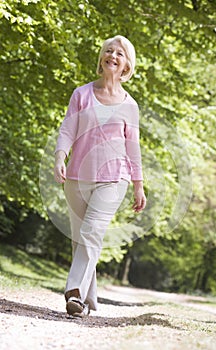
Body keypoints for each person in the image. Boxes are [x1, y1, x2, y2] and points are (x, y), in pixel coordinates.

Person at [54, 35, 146, 317]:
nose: (112, 55)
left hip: (113, 178)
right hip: (78, 176)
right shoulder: (81, 94)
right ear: (102, 58)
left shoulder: (130, 106)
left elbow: (133, 147)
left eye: (119, 53)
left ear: (126, 65)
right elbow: (68, 129)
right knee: (81, 239)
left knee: (91, 232)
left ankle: (74, 293)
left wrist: (138, 186)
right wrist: (60, 155)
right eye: (109, 51)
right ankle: (89, 300)